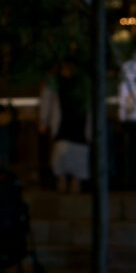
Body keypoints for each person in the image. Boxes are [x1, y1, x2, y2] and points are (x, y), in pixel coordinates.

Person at [39, 56, 91, 193]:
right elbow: (46, 101)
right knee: (60, 151)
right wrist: (43, 120)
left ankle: (75, 181)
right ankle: (61, 179)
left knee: (78, 152)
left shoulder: (83, 82)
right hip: (63, 123)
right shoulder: (55, 82)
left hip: (79, 123)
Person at [118, 36, 136, 190]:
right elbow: (123, 91)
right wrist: (123, 114)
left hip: (135, 115)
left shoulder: (128, 67)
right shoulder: (129, 67)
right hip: (135, 116)